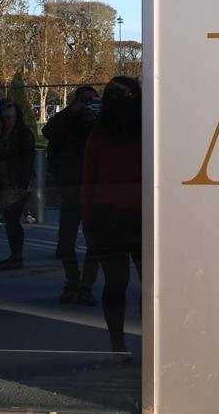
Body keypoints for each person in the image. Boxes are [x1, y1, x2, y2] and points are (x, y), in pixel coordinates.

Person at [81, 76, 142, 364]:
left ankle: (117, 343)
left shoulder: (98, 134)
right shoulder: (147, 133)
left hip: (106, 215)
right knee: (151, 285)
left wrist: (87, 220)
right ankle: (151, 341)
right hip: (142, 214)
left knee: (115, 284)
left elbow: (88, 180)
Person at [43, 86, 100, 305]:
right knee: (66, 242)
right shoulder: (66, 121)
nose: (87, 106)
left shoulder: (97, 123)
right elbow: (49, 132)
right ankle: (74, 281)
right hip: (72, 188)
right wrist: (70, 113)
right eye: (84, 101)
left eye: (91, 101)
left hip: (90, 188)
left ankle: (84, 284)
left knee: (93, 242)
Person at [0, 100, 36, 270]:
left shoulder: (23, 133)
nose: (5, 110)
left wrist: (23, 184)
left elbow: (28, 159)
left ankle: (16, 256)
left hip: (16, 182)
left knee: (12, 220)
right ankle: (15, 255)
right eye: (3, 107)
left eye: (9, 106)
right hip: (0, 180)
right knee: (9, 220)